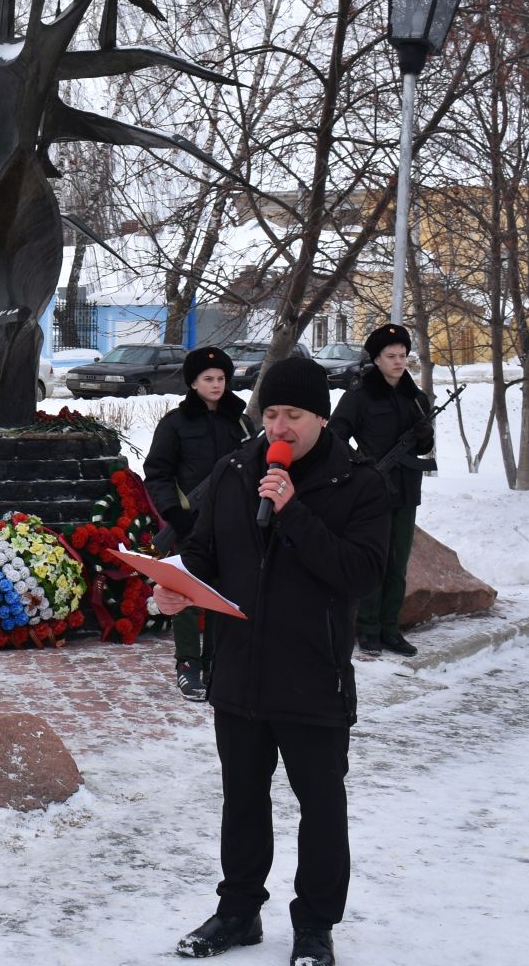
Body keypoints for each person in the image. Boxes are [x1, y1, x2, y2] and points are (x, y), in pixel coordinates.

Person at [154, 356, 388, 966]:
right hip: (238, 669)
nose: (279, 427)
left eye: (295, 415)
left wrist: (293, 512)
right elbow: (204, 551)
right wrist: (176, 584)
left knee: (321, 806)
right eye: (272, 413)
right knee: (243, 798)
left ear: (321, 416)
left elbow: (362, 573)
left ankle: (315, 926)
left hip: (313, 672)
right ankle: (238, 912)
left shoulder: (358, 481)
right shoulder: (234, 470)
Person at [143, 345, 256, 702]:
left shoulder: (240, 422)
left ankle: (217, 663)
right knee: (186, 595)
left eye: (221, 378)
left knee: (225, 593)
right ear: (193, 383)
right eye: (208, 379)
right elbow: (157, 473)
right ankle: (189, 665)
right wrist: (174, 514)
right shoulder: (175, 424)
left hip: (233, 522)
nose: (217, 384)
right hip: (189, 522)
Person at [328, 323, 434, 658]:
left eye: (403, 355)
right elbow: (336, 436)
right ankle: (369, 630)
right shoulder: (359, 395)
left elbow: (426, 446)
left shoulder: (415, 398)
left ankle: (391, 630)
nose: (399, 361)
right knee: (375, 562)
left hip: (405, 490)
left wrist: (422, 435)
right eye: (392, 356)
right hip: (372, 491)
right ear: (377, 358)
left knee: (397, 564)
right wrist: (359, 466)